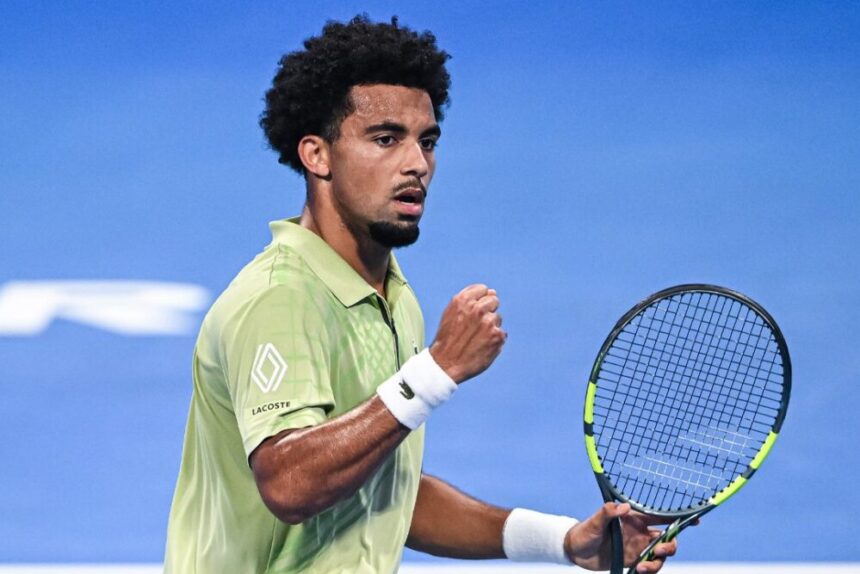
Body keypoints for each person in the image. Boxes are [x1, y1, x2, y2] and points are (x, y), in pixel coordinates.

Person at [164, 15, 678, 573]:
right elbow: (290, 484)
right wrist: (435, 371)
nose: (417, 164)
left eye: (426, 141)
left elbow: (385, 494)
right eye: (385, 139)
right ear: (317, 155)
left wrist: (562, 541)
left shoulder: (391, 297)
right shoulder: (281, 299)